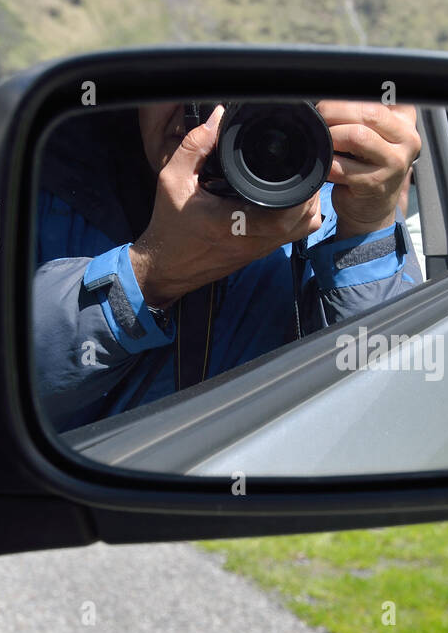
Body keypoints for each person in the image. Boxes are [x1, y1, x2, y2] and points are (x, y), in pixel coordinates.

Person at [33, 100, 422, 431]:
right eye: (172, 77)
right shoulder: (52, 185)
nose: (202, 111)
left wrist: (368, 227)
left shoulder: (339, 201)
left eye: (236, 84)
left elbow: (388, 410)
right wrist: (150, 272)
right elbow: (0, 378)